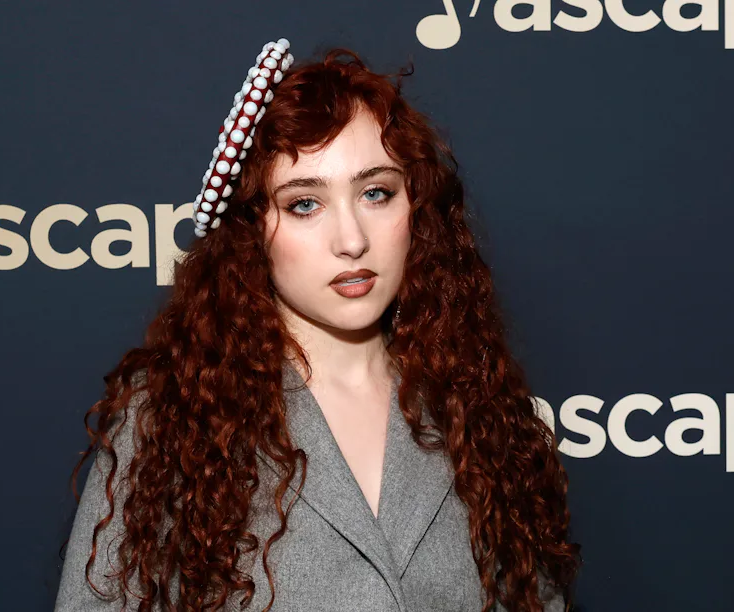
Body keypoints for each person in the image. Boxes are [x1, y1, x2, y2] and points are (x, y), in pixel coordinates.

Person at [55, 39, 582, 612]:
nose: (352, 240)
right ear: (252, 231)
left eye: (376, 193)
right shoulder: (171, 415)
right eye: (305, 203)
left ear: (416, 210)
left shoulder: (476, 404)